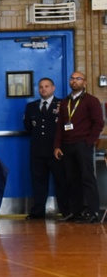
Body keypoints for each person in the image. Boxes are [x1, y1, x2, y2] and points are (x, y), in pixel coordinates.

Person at [53, 71, 104, 223]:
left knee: (87, 178)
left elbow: (98, 123)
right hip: (67, 145)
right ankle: (75, 212)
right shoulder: (64, 102)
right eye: (72, 78)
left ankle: (93, 212)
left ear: (85, 82)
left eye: (78, 79)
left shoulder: (91, 100)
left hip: (83, 144)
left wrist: (90, 141)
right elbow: (60, 126)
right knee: (71, 179)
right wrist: (57, 145)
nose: (74, 81)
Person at [23, 78, 68, 219]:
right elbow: (28, 127)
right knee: (38, 182)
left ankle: (66, 211)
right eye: (41, 87)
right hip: (37, 150)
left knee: (62, 182)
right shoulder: (32, 106)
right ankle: (38, 212)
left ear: (53, 88)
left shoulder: (62, 104)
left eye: (47, 86)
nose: (43, 89)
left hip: (57, 150)